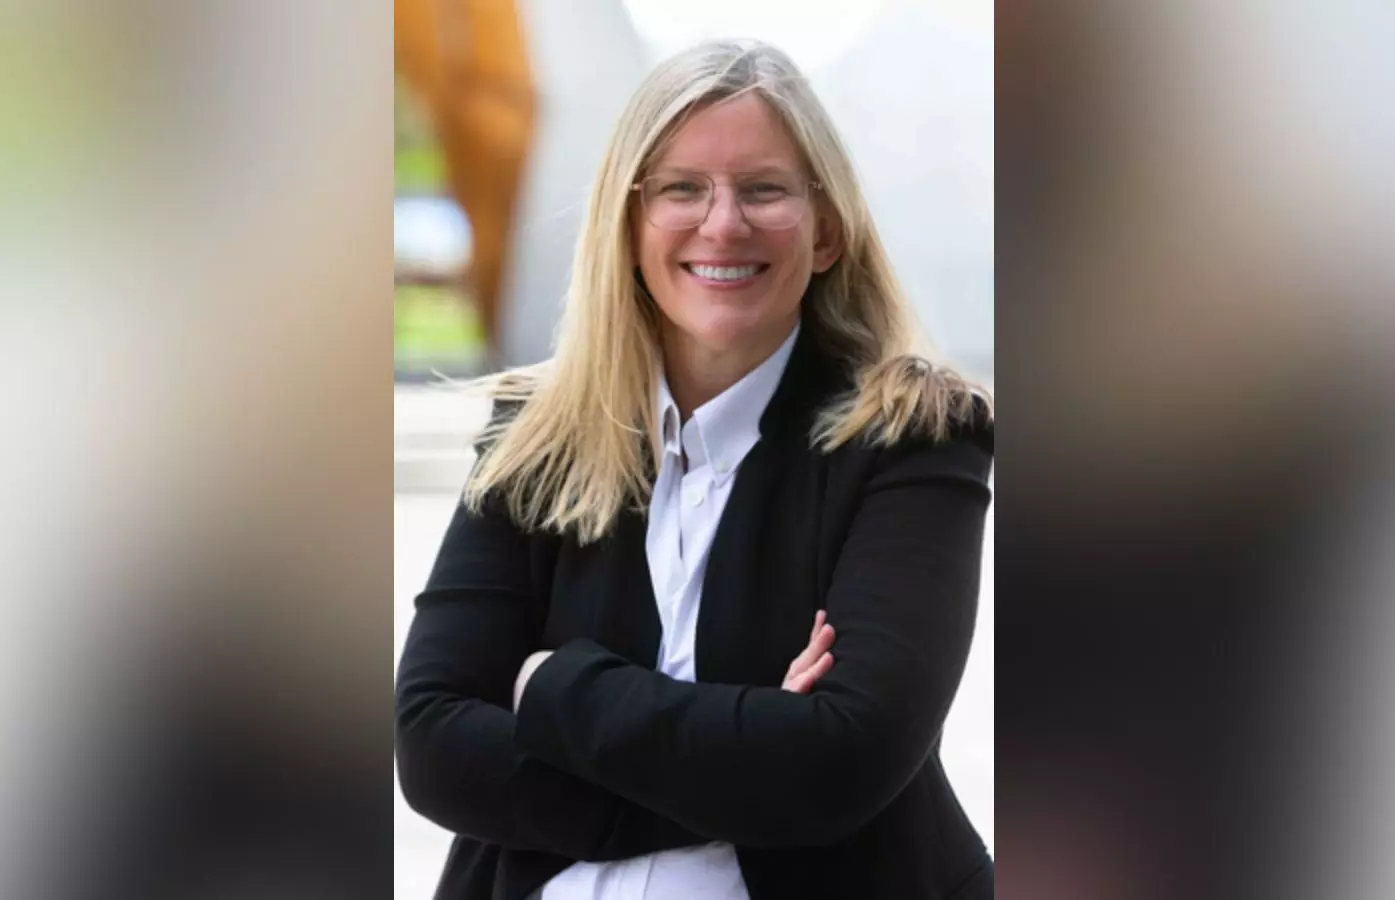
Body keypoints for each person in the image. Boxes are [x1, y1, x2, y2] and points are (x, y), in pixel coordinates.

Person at [396, 39, 994, 900]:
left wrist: (555, 688)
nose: (723, 224)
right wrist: (748, 763)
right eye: (682, 188)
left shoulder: (916, 434)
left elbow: (841, 761)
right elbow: (432, 742)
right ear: (629, 226)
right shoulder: (535, 434)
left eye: (764, 189)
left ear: (826, 230)